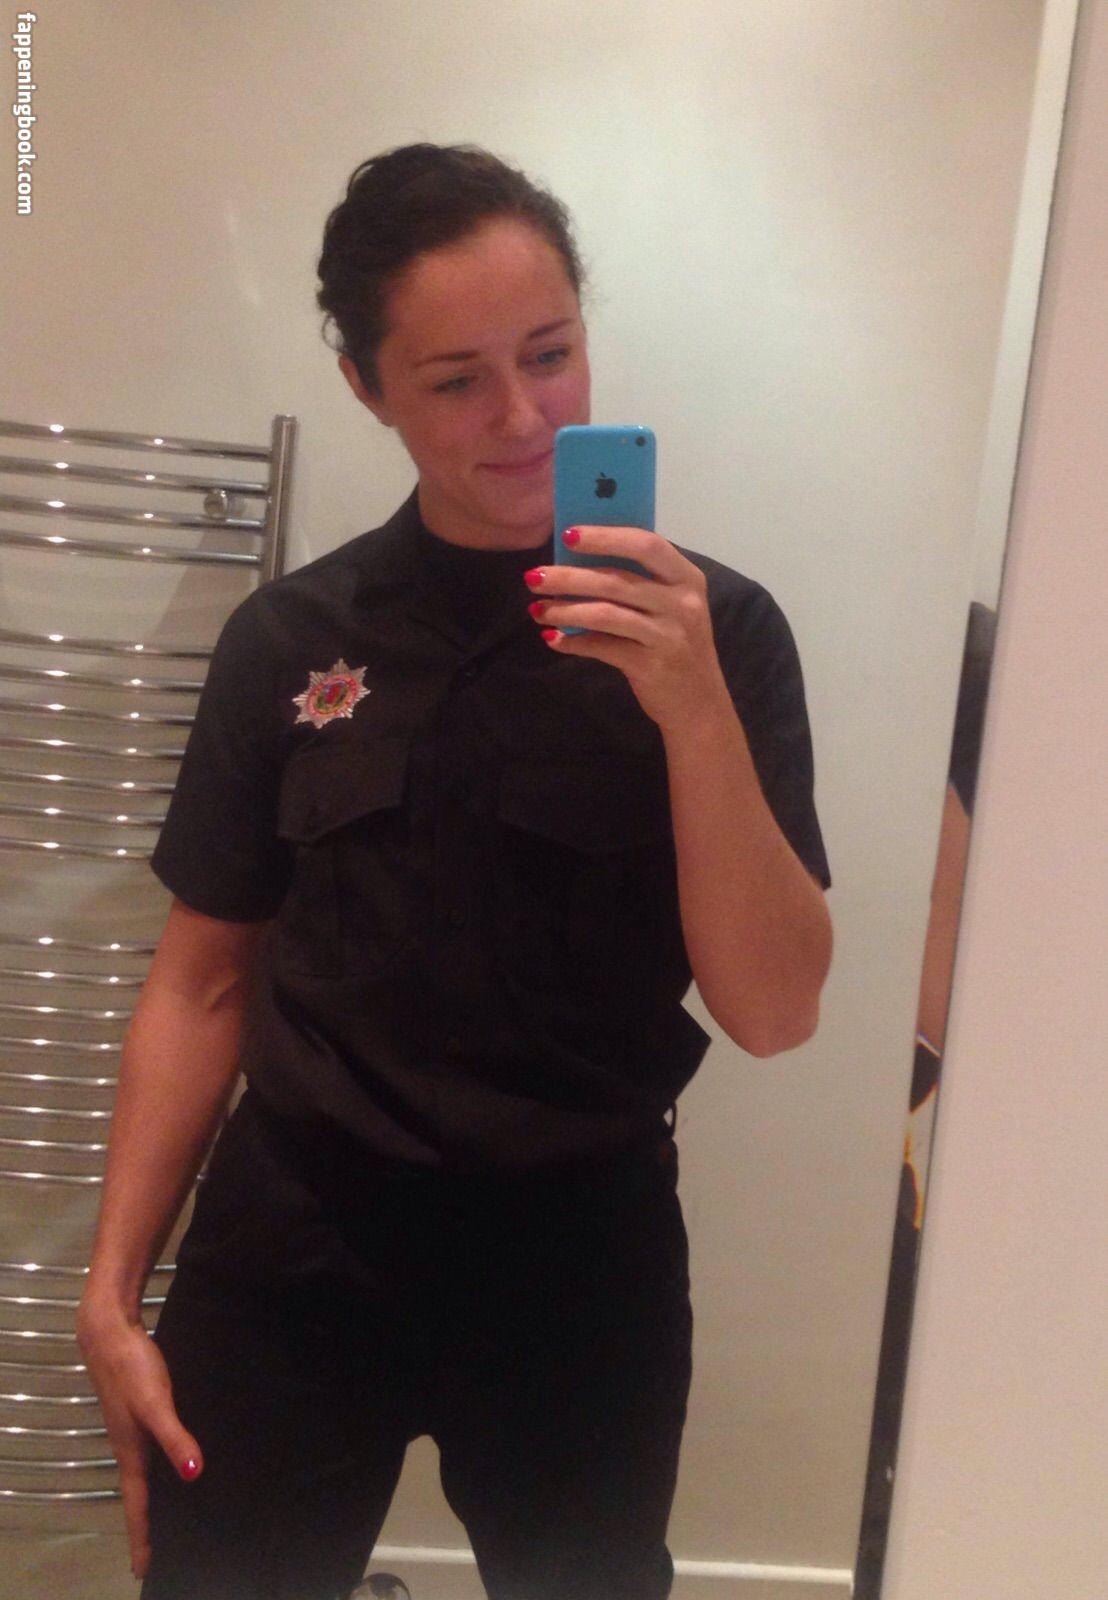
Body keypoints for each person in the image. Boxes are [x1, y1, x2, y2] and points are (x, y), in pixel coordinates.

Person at [76, 143, 833, 1600]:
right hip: (297, 1243)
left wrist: (690, 711)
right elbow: (202, 983)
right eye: (455, 379)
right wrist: (110, 1294)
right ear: (367, 387)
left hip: (579, 1255)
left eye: (550, 354)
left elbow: (778, 1009)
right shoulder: (291, 639)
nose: (524, 417)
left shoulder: (719, 633)